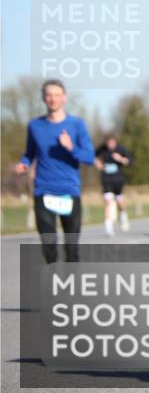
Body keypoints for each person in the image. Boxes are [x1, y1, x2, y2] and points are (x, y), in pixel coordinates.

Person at [14, 80, 95, 263]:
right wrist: (24, 163)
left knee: (71, 248)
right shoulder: (35, 126)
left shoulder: (77, 125)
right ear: (44, 98)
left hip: (69, 191)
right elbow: (30, 153)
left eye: (57, 95)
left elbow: (89, 157)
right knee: (48, 247)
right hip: (44, 191)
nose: (53, 99)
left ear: (64, 98)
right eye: (49, 95)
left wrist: (70, 147)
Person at [94, 133, 133, 236]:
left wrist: (120, 159)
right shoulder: (102, 149)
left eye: (112, 143)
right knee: (108, 201)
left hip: (118, 179)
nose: (110, 145)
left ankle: (123, 216)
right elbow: (92, 156)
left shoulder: (121, 149)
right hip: (106, 179)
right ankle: (108, 227)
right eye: (108, 143)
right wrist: (97, 163)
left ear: (115, 142)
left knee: (119, 200)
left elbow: (129, 161)